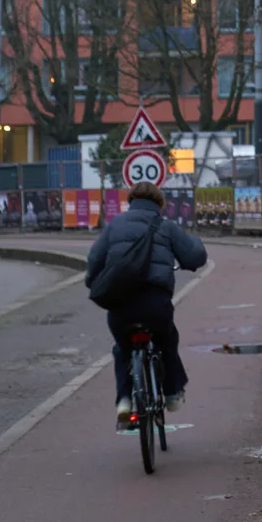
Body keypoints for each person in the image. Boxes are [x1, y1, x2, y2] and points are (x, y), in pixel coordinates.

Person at [86, 182, 207, 429]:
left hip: (120, 306)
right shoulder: (166, 227)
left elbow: (94, 261)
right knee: (168, 340)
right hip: (155, 305)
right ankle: (172, 394)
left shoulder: (114, 225)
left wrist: (93, 281)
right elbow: (195, 256)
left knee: (122, 349)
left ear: (130, 201)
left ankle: (123, 401)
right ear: (159, 204)